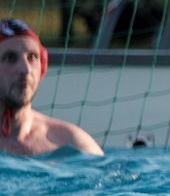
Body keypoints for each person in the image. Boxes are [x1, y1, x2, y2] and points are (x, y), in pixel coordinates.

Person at [0, 19, 104, 156]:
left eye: (32, 57)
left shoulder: (72, 142)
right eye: (10, 58)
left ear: (42, 67)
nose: (25, 69)